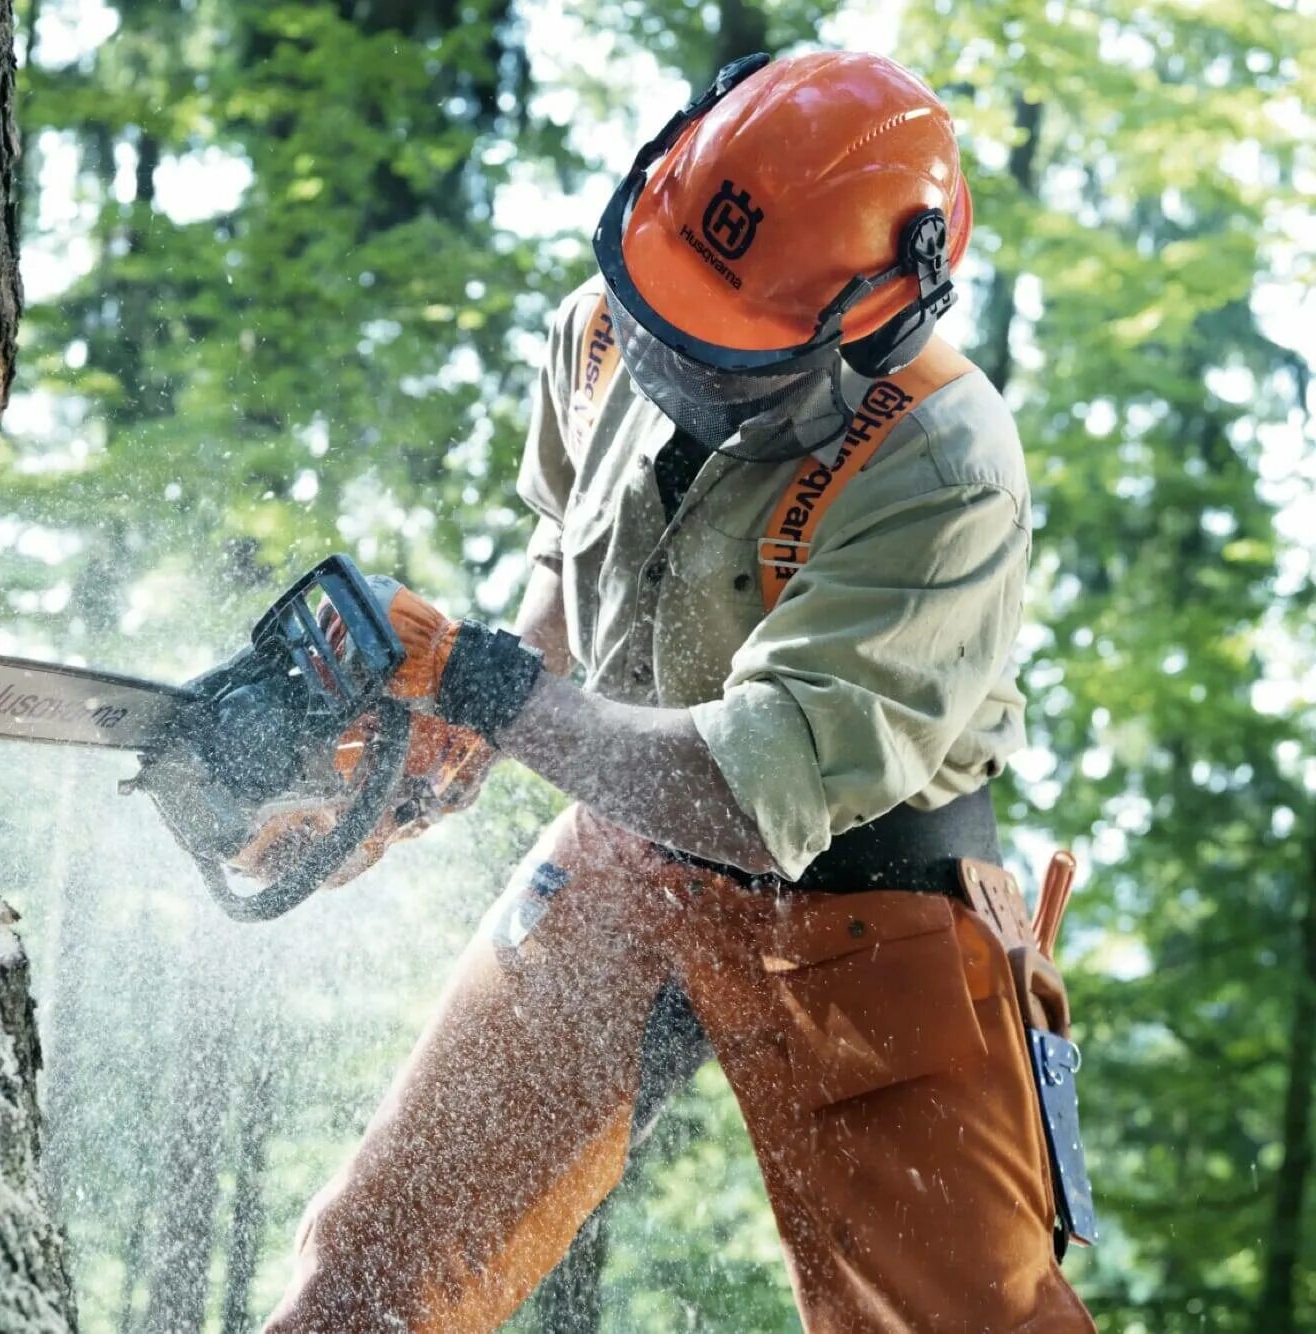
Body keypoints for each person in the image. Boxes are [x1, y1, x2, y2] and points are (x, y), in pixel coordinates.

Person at [262, 50, 1096, 1332]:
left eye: (724, 354)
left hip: (870, 903)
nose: (671, 365)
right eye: (662, 320)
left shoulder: (938, 458)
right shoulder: (613, 321)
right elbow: (562, 555)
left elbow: (748, 794)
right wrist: (433, 745)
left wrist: (485, 688)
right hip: (618, 843)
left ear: (877, 315)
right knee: (370, 1271)